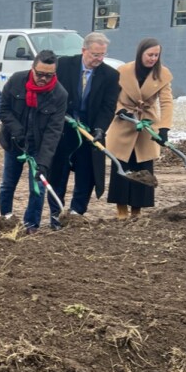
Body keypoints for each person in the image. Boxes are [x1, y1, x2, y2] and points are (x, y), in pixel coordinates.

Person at [48, 32, 120, 227]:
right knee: (58, 173)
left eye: (102, 55)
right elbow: (51, 93)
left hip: (90, 133)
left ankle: (76, 213)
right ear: (84, 50)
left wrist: (99, 129)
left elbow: (108, 107)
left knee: (86, 174)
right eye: (95, 54)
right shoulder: (63, 66)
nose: (99, 59)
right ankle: (56, 213)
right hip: (63, 130)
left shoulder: (110, 75)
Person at [0, 49, 68, 233]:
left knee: (37, 187)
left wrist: (43, 163)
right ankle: (4, 222)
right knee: (7, 184)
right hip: (14, 143)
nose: (43, 78)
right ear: (32, 68)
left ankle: (31, 225)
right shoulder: (16, 81)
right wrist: (16, 129)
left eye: (49, 75)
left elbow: (53, 132)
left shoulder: (59, 95)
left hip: (38, 146)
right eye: (40, 74)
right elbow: (3, 109)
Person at [105, 38, 173, 218]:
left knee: (143, 167)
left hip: (147, 126)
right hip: (124, 123)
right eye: (150, 55)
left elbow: (167, 103)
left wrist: (164, 129)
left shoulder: (162, 74)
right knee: (122, 164)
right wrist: (120, 111)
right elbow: (114, 96)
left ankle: (137, 210)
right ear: (140, 53)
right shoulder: (124, 71)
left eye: (156, 55)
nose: (153, 59)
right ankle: (121, 210)